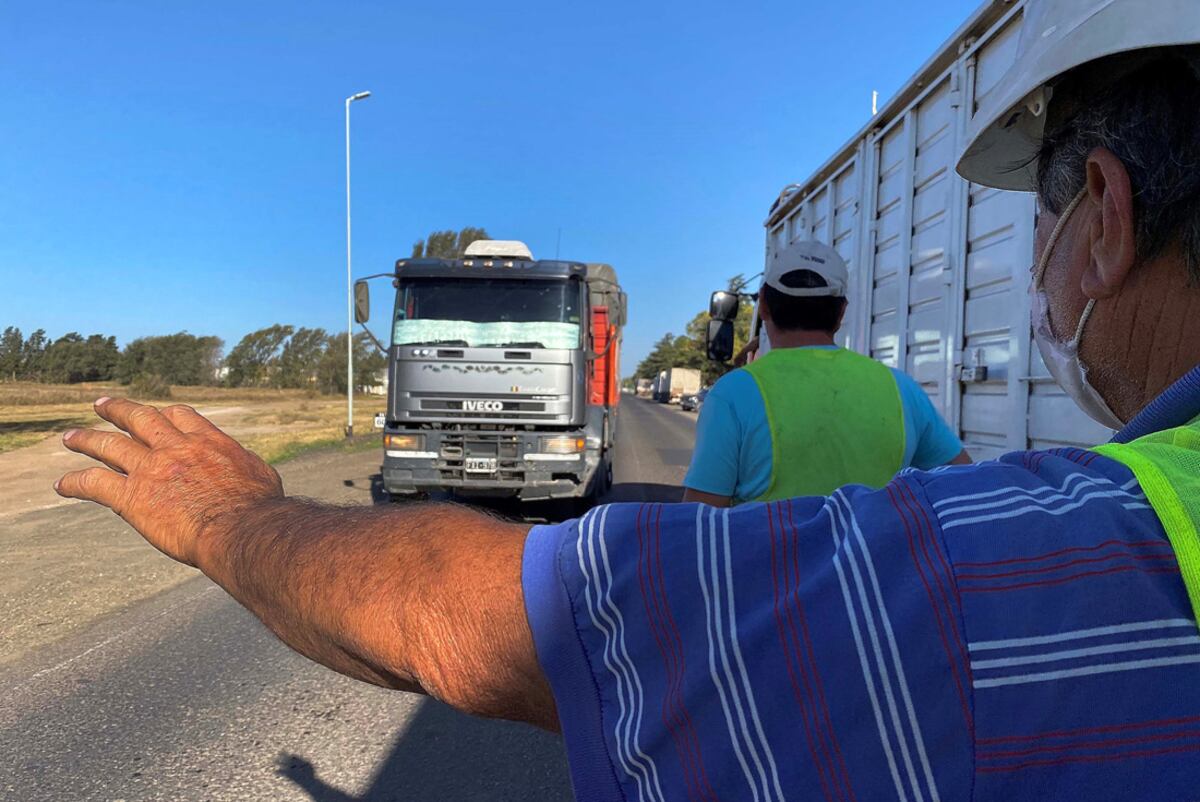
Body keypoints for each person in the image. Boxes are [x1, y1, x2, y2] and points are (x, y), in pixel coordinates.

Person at [54, 1, 1200, 797]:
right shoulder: (903, 398)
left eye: (1035, 212)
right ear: (844, 318)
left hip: (798, 671)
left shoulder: (781, 431)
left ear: (1102, 211)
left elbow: (521, 610)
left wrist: (229, 518)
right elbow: (957, 481)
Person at [683, 240, 970, 506]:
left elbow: (698, 525)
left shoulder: (733, 393)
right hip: (873, 561)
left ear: (764, 305)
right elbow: (966, 483)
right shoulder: (901, 389)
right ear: (841, 312)